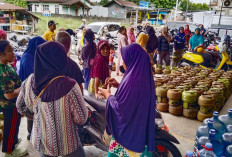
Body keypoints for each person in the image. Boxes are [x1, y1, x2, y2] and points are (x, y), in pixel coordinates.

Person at [16, 41, 88, 157]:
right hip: (67, 143)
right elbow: (81, 118)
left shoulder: (28, 82)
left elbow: (20, 106)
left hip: (42, 141)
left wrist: (37, 116)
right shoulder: (70, 86)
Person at [99, 43, 155, 157]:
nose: (123, 62)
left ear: (132, 59)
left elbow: (121, 109)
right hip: (139, 128)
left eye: (124, 59)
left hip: (128, 135)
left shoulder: (132, 80)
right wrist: (118, 85)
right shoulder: (142, 75)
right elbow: (134, 97)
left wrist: (108, 95)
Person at [0, 40, 28, 157]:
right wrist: (23, 88)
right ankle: (10, 151)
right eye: (9, 51)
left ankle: (14, 143)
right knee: (10, 128)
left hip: (12, 105)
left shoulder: (6, 66)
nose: (13, 53)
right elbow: (9, 95)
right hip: (9, 105)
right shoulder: (4, 72)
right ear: (1, 54)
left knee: (14, 125)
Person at [19, 36, 46, 140]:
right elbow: (31, 76)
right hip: (29, 89)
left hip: (35, 88)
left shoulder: (33, 55)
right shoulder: (27, 58)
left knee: (35, 111)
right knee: (31, 111)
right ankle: (31, 134)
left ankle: (34, 133)